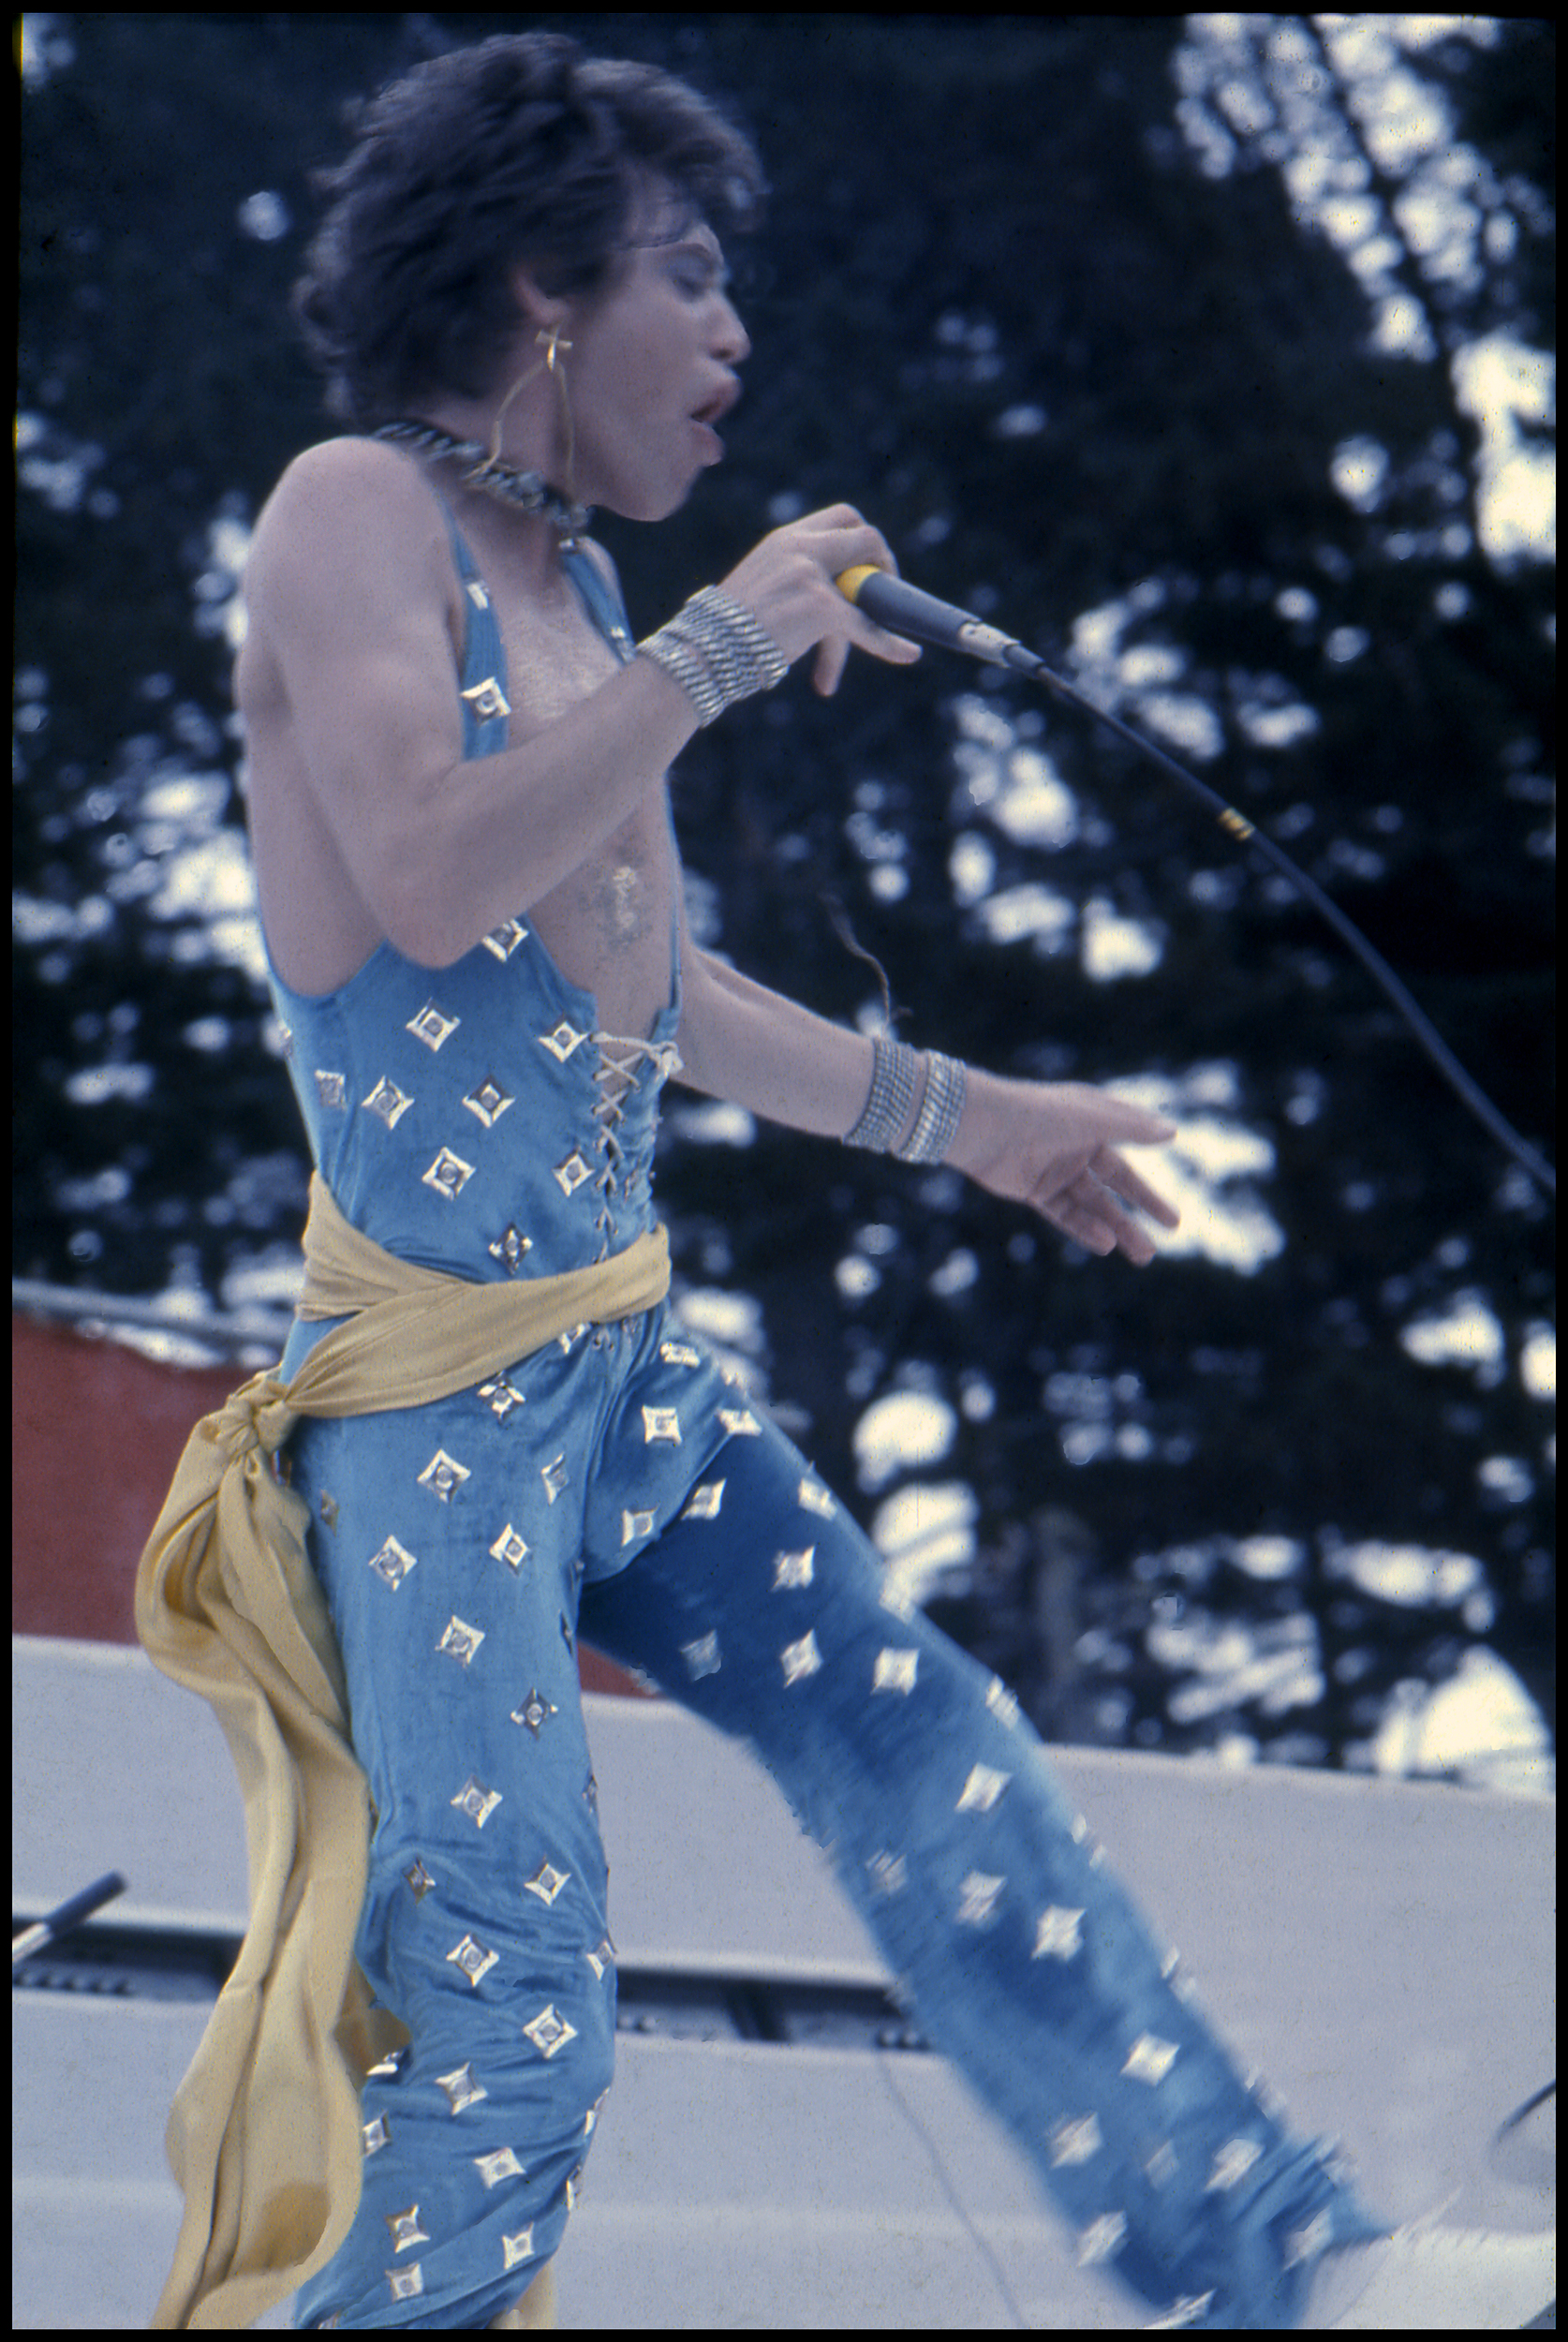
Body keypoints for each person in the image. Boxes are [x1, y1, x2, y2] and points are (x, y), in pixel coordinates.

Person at [152, 30, 1551, 2332]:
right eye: (687, 277)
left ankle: (1275, 2267)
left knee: (936, 1756)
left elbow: (653, 993)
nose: (732, 338)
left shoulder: (583, 602)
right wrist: (719, 644)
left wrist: (987, 1121)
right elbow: (423, 874)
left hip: (627, 1371)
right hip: (435, 1417)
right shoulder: (348, 514)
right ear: (537, 291)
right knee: (512, 1998)